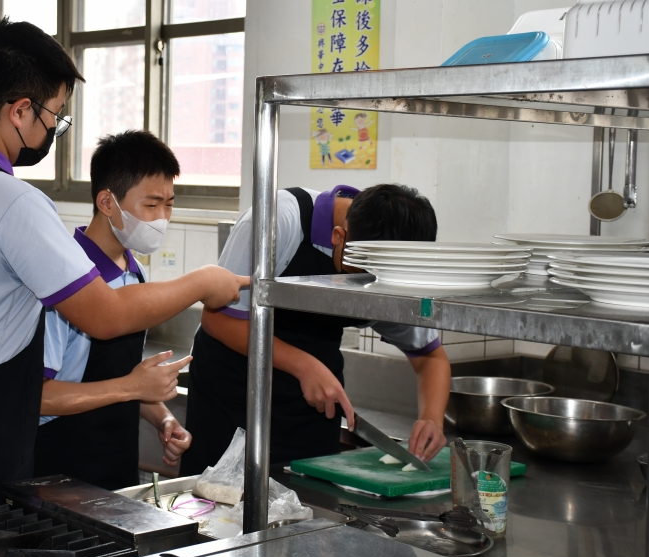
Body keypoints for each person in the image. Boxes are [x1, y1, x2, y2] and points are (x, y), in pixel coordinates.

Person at [0, 19, 247, 518]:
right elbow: (105, 314)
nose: (54, 128)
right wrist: (204, 281)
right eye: (54, 114)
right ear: (19, 111)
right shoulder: (11, 201)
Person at [180, 184, 451, 476]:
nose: (374, 288)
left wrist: (432, 419)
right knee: (215, 499)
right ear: (338, 237)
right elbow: (217, 319)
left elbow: (430, 357)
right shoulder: (276, 220)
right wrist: (304, 366)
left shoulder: (384, 272)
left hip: (310, 414)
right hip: (230, 400)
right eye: (362, 275)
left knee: (308, 500)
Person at [34, 130, 191, 490]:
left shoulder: (135, 274)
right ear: (106, 202)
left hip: (117, 474)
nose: (162, 218)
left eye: (169, 205)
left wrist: (163, 418)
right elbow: (37, 397)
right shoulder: (64, 280)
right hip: (60, 472)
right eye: (151, 205)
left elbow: (125, 382)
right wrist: (131, 386)